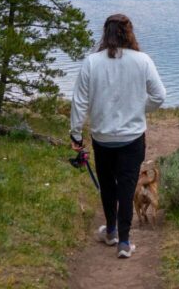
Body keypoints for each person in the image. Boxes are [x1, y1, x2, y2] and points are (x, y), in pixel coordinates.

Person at [70, 14, 166, 259]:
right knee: (126, 186)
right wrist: (139, 108)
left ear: (106, 33)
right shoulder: (142, 61)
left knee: (107, 186)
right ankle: (124, 242)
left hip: (103, 138)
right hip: (132, 138)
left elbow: (80, 101)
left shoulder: (92, 62)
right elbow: (159, 96)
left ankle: (111, 231)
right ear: (129, 33)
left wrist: (76, 134)